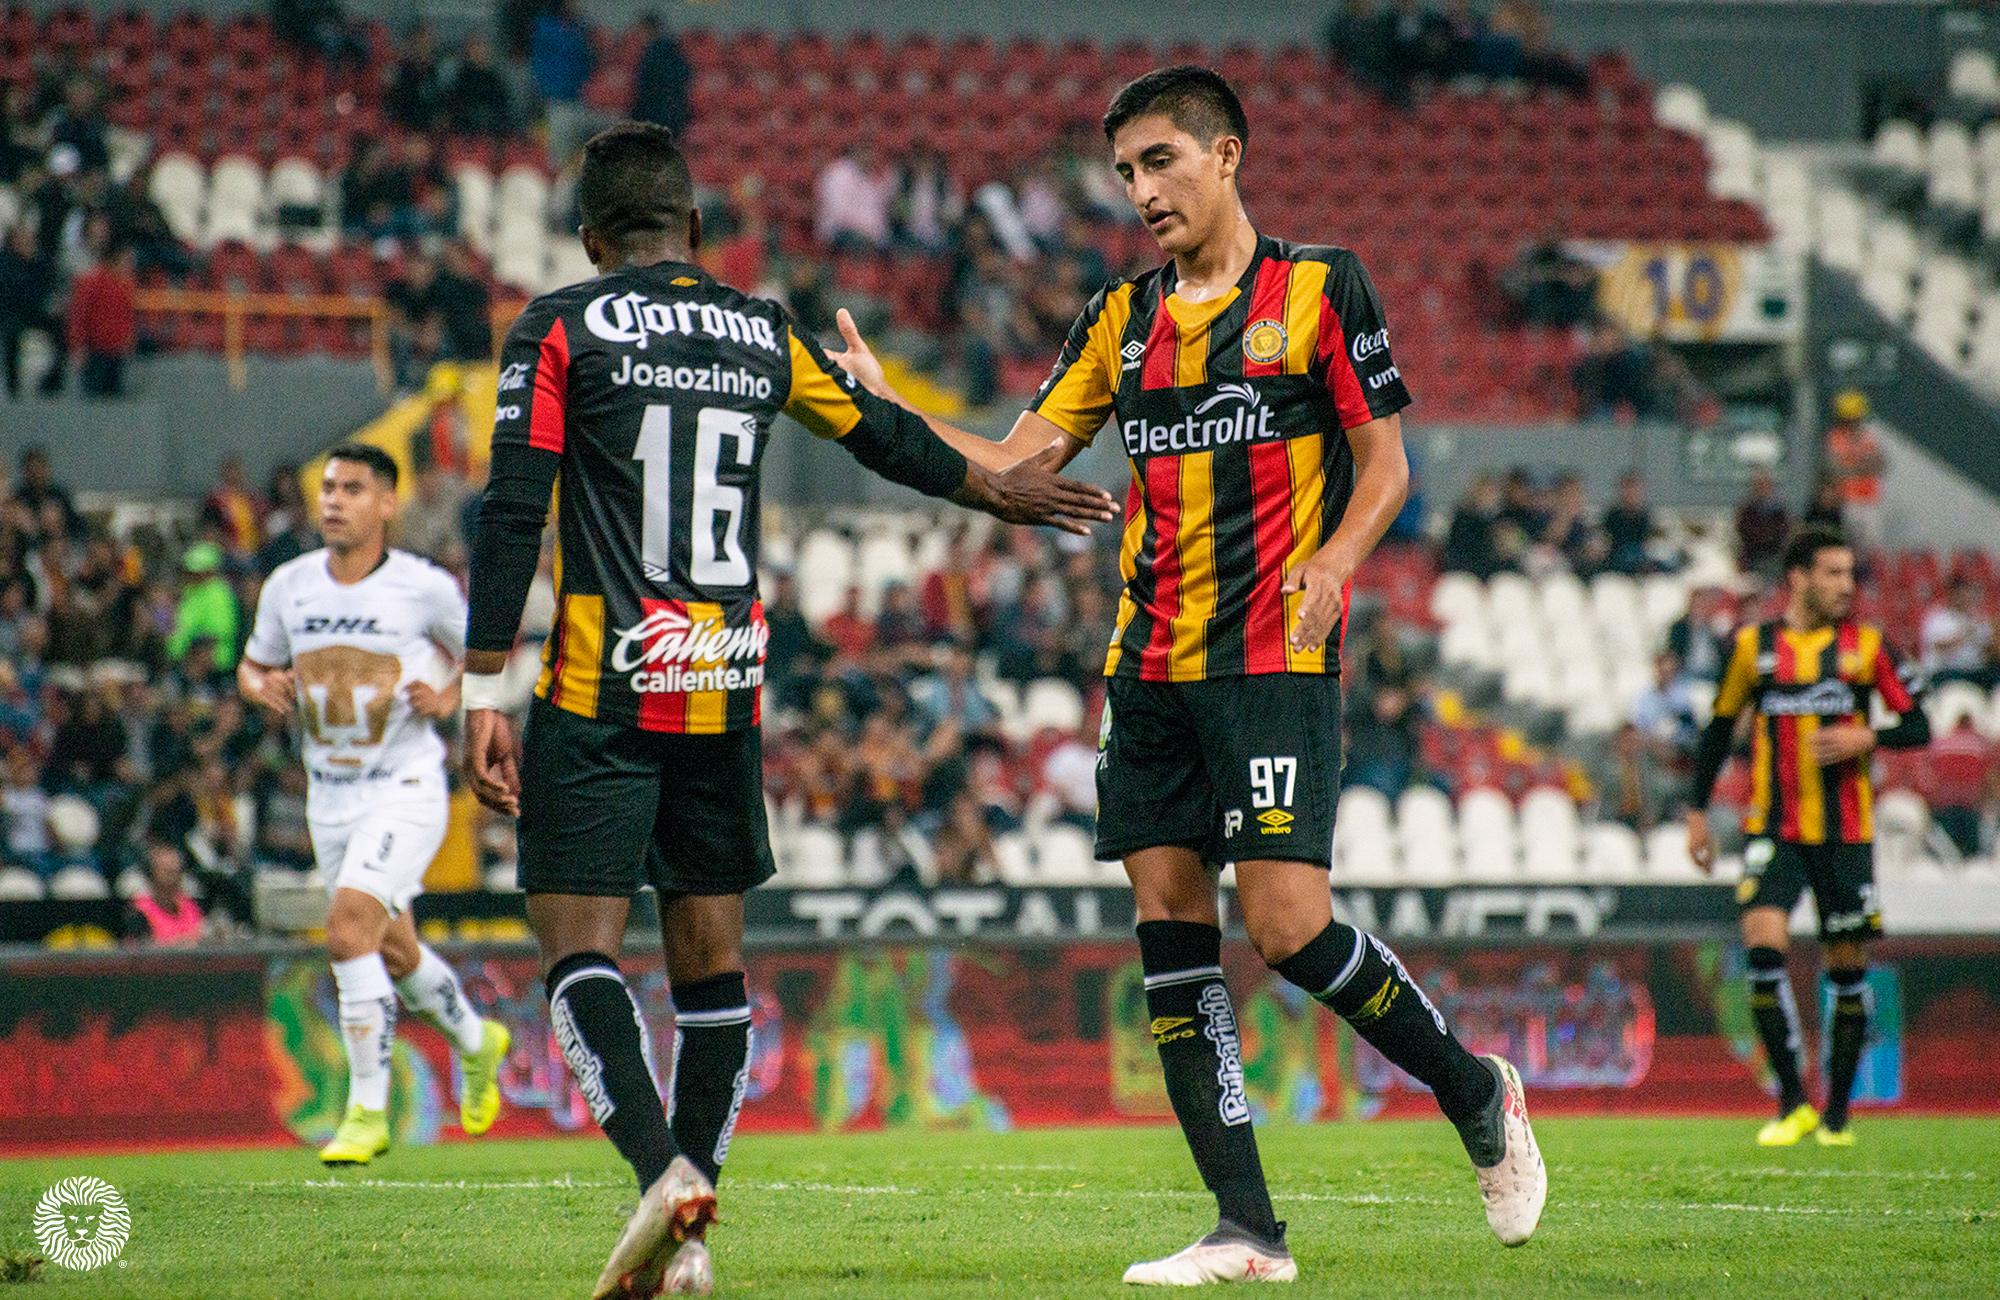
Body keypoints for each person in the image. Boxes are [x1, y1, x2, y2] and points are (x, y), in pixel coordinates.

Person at [827, 67, 1544, 1284]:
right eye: (1123, 172)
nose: (1140, 190)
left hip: (1272, 654)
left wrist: (1335, 560)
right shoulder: (1120, 318)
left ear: (1225, 155)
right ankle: (1245, 1229)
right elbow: (1012, 467)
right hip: (1149, 664)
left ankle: (1474, 1091)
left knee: (1287, 926)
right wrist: (889, 413)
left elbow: (1385, 470)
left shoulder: (1319, 288)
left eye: (1159, 160)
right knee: (1169, 928)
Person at [458, 123, 1114, 1299]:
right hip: (721, 684)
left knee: (577, 952)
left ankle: (663, 1176)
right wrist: (998, 490)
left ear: (591, 238)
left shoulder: (558, 327)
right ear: (696, 229)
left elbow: (513, 510)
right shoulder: (761, 332)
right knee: (711, 969)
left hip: (602, 687)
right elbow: (883, 436)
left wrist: (478, 687)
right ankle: (692, 1239)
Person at [239, 444, 511, 1166]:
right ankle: (478, 1040)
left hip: (405, 787)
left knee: (348, 930)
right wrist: (261, 686)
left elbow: (485, 651)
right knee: (392, 947)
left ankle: (365, 1110)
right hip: (328, 797)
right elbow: (253, 664)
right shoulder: (290, 586)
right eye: (328, 487)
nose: (334, 500)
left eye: (353, 488)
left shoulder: (422, 587)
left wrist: (448, 695)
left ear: (387, 503)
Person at [1687, 525, 1931, 1147]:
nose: (1847, 586)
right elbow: (1718, 730)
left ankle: (1837, 1115)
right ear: (1798, 577)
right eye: (1833, 573)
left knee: (1847, 969)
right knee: (1762, 947)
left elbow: (1919, 724)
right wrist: (1696, 812)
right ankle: (1793, 1101)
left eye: (1850, 574)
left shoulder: (1868, 647)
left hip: (1846, 835)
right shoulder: (1754, 648)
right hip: (1774, 827)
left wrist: (1867, 735)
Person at [1823, 390, 1886, 556]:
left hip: (1870, 498)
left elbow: (1880, 464)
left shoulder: (1868, 436)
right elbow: (1835, 469)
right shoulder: (1836, 437)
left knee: (1872, 544)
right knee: (1850, 543)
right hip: (1848, 498)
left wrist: (1855, 466)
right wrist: (1862, 467)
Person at [122, 827, 207, 946]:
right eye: (166, 872)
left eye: (175, 872)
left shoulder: (190, 907)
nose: (172, 880)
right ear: (152, 874)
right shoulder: (140, 911)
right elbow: (138, 949)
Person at [1920, 576, 1995, 685]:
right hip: (1947, 672)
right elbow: (1939, 647)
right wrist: (1965, 633)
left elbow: (1988, 651)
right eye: (1960, 595)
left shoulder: (1977, 619)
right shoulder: (1938, 618)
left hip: (1975, 671)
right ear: (1952, 595)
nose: (1965, 598)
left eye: (1967, 595)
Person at [1734, 468, 1790, 579]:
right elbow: (1742, 530)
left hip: (1773, 555)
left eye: (1764, 484)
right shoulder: (1748, 509)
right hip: (1752, 556)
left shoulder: (1779, 511)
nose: (1761, 488)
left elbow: (1783, 531)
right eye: (1758, 485)